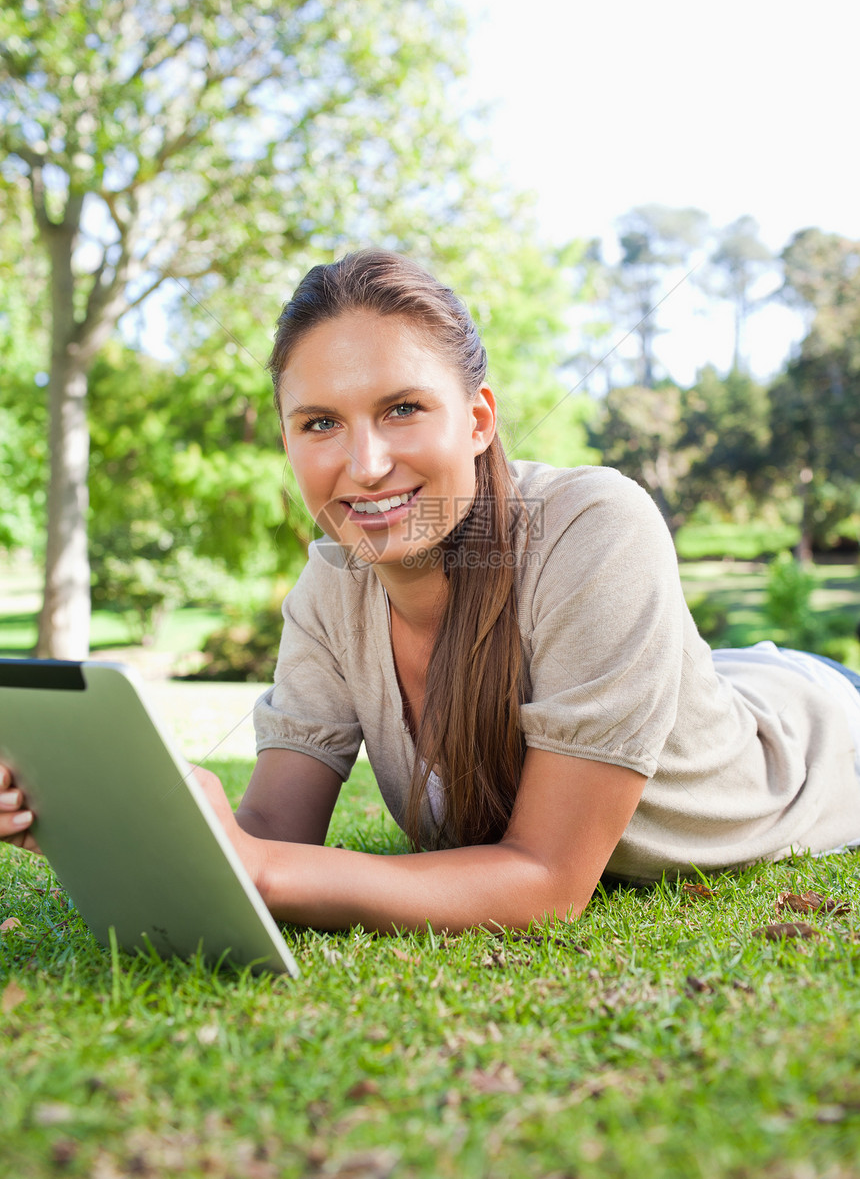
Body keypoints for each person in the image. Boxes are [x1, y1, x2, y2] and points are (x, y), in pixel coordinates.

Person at [3, 250, 860, 934]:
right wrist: (110, 813)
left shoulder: (594, 524)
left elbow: (547, 882)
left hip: (819, 732)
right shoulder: (332, 582)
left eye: (403, 408)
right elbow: (270, 837)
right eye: (321, 423)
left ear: (478, 419)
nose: (364, 464)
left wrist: (258, 867)